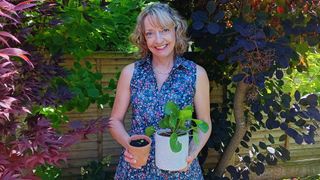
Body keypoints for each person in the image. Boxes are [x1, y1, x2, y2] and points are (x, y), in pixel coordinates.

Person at [108, 2, 212, 179]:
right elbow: (115, 121)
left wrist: (191, 154)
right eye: (150, 33)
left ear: (175, 31)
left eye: (164, 30)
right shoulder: (130, 73)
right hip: (136, 168)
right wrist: (132, 147)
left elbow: (204, 122)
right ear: (143, 38)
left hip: (180, 169)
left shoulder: (196, 74)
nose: (158, 39)